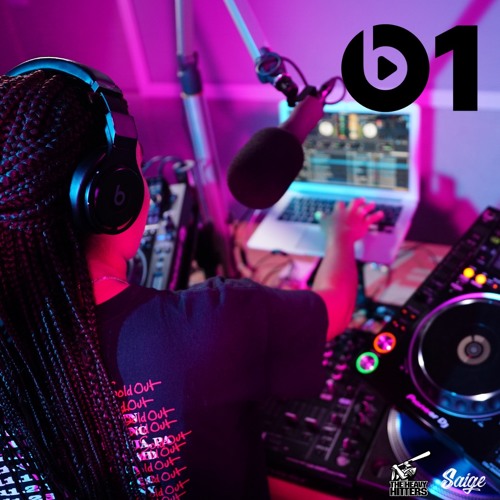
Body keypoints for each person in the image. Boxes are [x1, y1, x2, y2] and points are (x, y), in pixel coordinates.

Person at [0, 60, 382, 499]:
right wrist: (341, 237)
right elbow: (335, 308)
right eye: (139, 170)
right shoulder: (207, 326)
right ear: (113, 198)